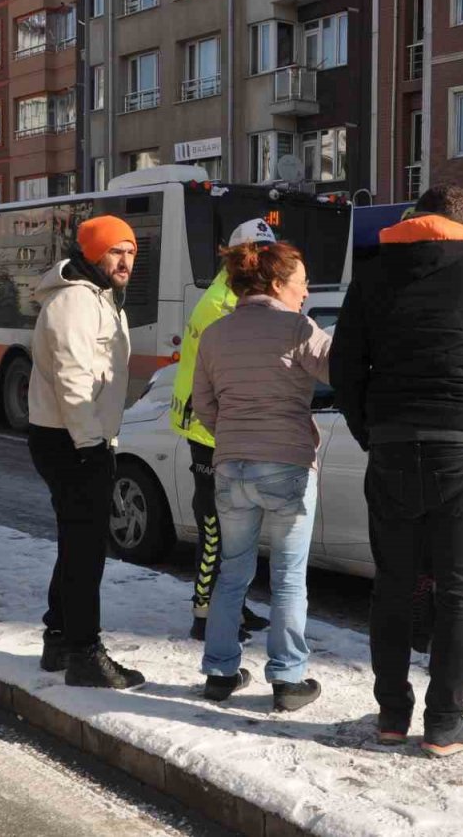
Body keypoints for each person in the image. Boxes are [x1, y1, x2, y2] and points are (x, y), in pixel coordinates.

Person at [329, 182, 463, 757]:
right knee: (459, 591)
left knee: (393, 586)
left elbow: (343, 366)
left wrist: (368, 431)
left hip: (394, 446)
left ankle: (391, 716)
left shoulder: (372, 275)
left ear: (413, 219)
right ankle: (446, 723)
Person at [193, 241, 332, 713]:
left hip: (231, 466)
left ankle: (219, 670)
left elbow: (204, 406)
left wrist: (233, 438)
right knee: (289, 577)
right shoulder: (297, 327)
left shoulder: (214, 334)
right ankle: (288, 680)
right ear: (277, 284)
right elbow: (338, 369)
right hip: (288, 463)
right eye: (302, 283)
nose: (307, 292)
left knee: (232, 572)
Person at [28, 215, 144, 689]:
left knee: (77, 542)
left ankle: (58, 638)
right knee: (86, 549)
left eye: (131, 252)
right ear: (93, 253)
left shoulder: (98, 296)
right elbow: (73, 379)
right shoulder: (77, 300)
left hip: (76, 436)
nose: (125, 261)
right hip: (71, 438)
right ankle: (83, 652)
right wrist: (91, 445)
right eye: (115, 251)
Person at [171, 219, 278, 643]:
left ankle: (232, 604)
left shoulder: (231, 294)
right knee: (214, 528)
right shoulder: (224, 303)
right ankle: (204, 615)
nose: (263, 263)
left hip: (220, 427)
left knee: (234, 528)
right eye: (257, 255)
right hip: (209, 430)